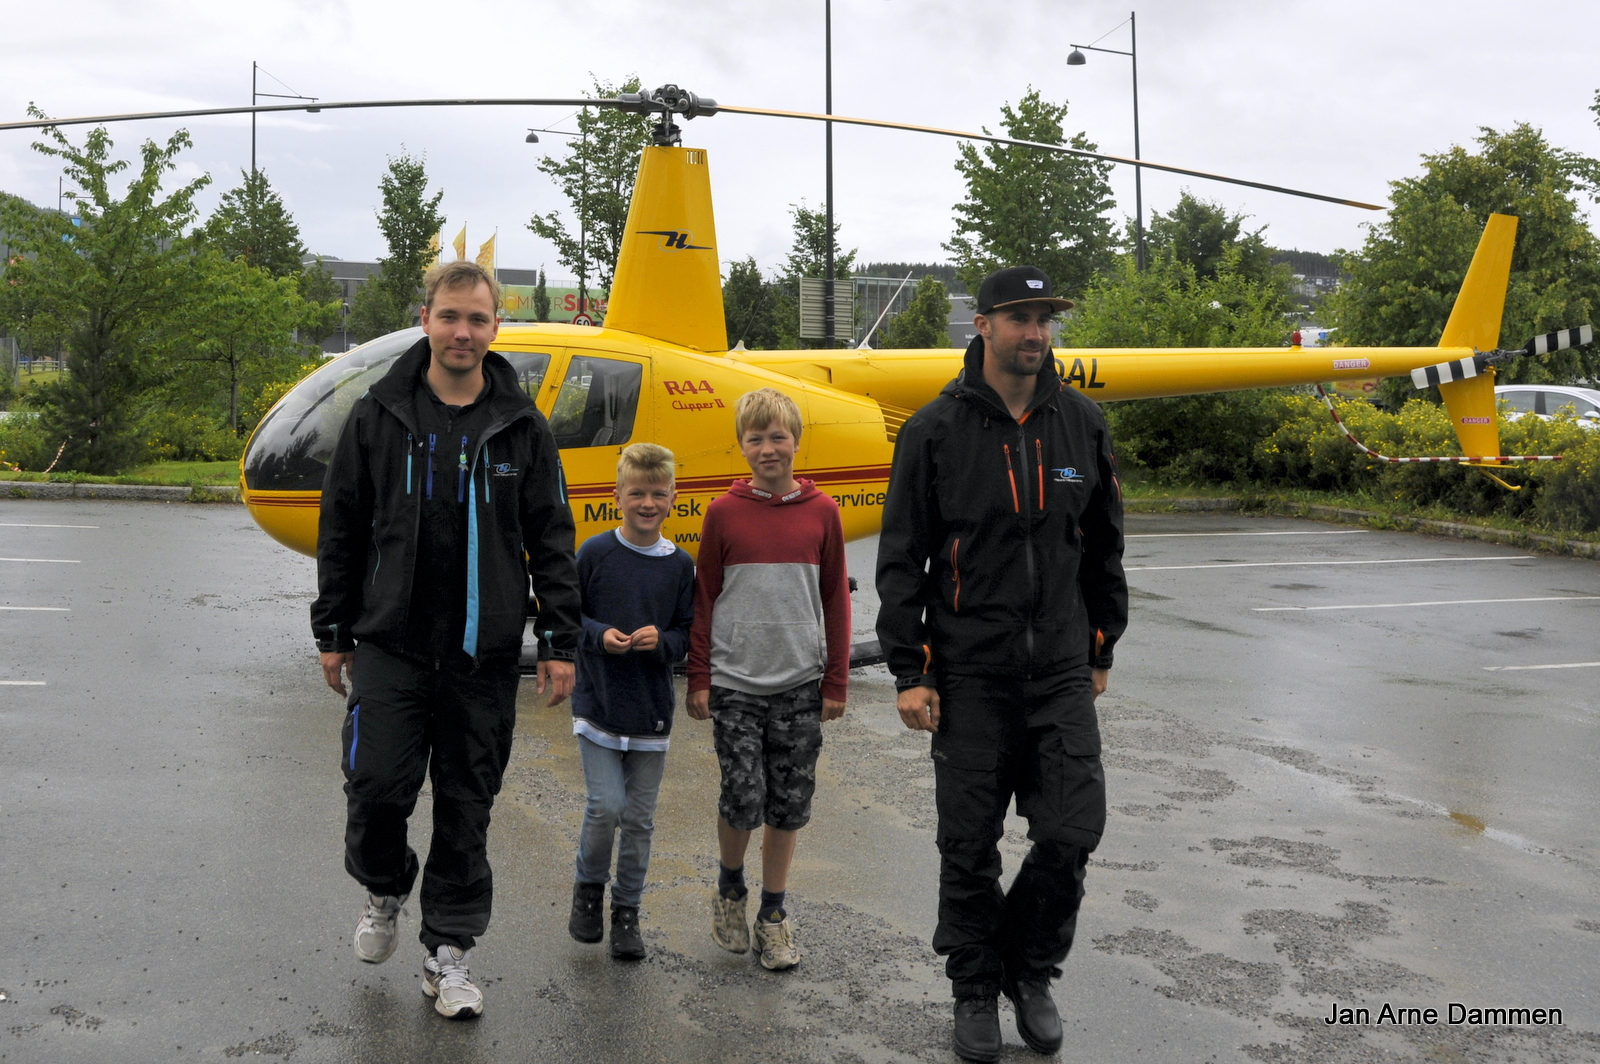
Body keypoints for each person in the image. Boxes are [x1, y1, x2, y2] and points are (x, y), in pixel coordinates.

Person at [311, 259, 581, 1019]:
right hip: (391, 648)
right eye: (450, 316)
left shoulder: (522, 429)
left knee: (467, 807)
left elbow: (552, 540)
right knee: (374, 791)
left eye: (478, 319)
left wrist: (560, 639)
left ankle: (448, 954)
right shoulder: (378, 414)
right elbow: (342, 529)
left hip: (481, 657)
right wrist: (333, 630)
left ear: (496, 329)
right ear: (426, 319)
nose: (463, 332)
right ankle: (386, 884)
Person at [875, 266, 1128, 1062]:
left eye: (1045, 318)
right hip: (970, 672)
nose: (1035, 332)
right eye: (1019, 317)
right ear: (981, 326)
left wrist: (1100, 647)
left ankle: (1029, 968)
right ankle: (975, 989)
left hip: (1057, 670)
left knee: (1071, 830)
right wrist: (910, 670)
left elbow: (1105, 547)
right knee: (969, 844)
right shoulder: (934, 431)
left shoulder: (1081, 424)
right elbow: (900, 559)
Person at [686, 387, 850, 971]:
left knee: (789, 804)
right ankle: (731, 887)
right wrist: (699, 675)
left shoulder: (823, 512)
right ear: (741, 445)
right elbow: (704, 598)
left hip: (801, 684)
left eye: (778, 436)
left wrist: (837, 679)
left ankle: (773, 915)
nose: (767, 447)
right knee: (743, 795)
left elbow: (836, 598)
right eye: (754, 438)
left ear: (797, 442)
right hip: (735, 682)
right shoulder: (722, 514)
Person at [566, 442, 695, 961]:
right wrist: (599, 636)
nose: (647, 502)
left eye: (657, 494)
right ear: (616, 495)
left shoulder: (680, 565)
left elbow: (687, 634)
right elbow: (568, 618)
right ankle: (587, 891)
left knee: (639, 818)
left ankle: (627, 913)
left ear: (672, 500)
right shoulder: (595, 554)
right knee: (606, 807)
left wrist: (661, 643)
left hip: (650, 709)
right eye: (636, 492)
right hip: (598, 704)